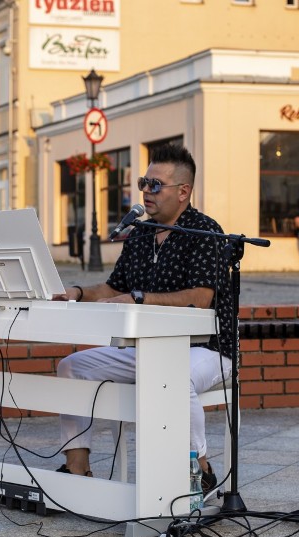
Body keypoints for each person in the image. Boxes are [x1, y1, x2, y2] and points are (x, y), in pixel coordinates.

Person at [52, 144, 233, 495]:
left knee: (171, 373)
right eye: (142, 182)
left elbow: (201, 298)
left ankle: (200, 473)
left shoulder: (206, 232)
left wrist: (138, 298)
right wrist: (76, 291)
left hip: (208, 350)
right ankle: (76, 471)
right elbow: (112, 287)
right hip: (146, 348)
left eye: (155, 185)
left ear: (183, 191)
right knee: (71, 367)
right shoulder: (140, 233)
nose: (145, 192)